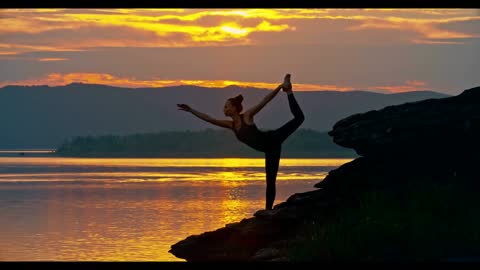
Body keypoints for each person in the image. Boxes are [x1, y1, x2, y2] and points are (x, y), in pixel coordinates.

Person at [177, 74, 305, 212]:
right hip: (269, 150)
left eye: (226, 107)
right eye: (224, 107)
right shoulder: (231, 125)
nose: (224, 109)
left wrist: (279, 87)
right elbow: (209, 119)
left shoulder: (247, 116)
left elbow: (264, 101)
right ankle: (268, 211)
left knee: (299, 118)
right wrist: (191, 110)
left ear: (234, 108)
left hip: (273, 139)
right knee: (270, 181)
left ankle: (288, 90)